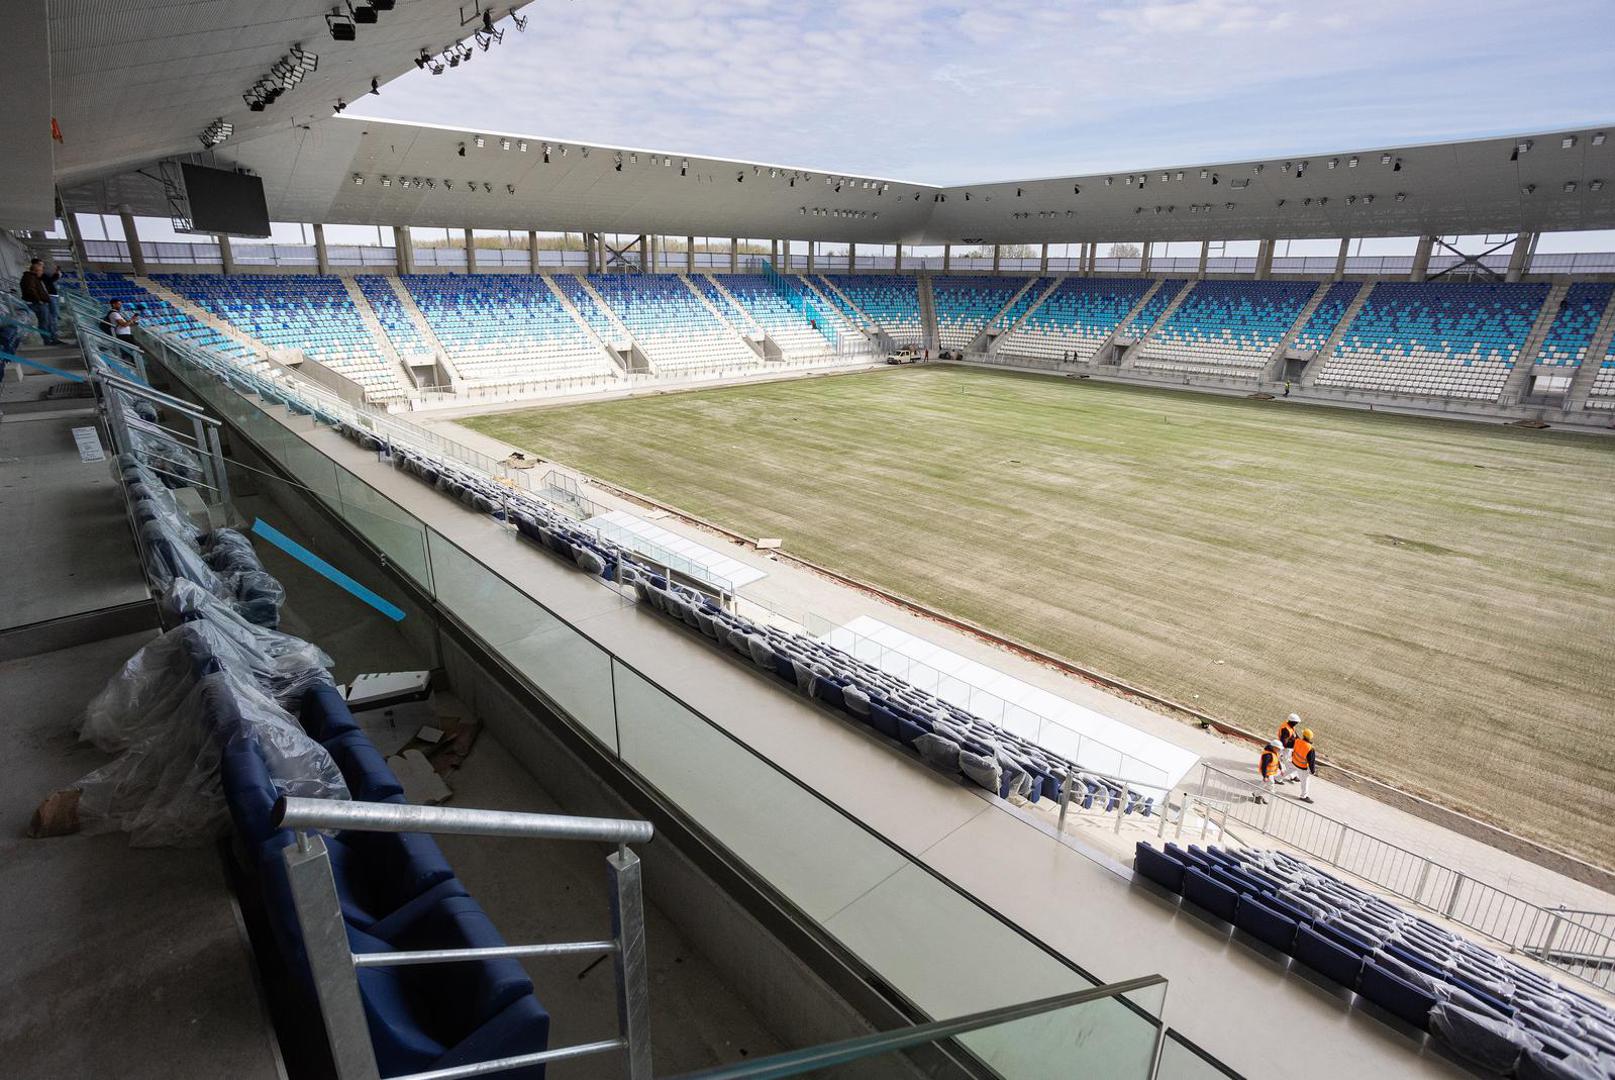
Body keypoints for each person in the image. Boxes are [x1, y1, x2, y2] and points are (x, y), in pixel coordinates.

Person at [20, 258, 59, 345]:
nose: (42, 273)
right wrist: (39, 300)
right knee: (44, 323)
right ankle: (48, 340)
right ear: (35, 270)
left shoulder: (33, 278)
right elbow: (30, 290)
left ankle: (52, 339)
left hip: (41, 303)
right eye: (41, 270)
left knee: (47, 322)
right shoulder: (30, 278)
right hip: (39, 304)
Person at [1283, 728, 1317, 802]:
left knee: (1288, 771)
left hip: (1294, 762)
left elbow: (1291, 743)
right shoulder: (1310, 748)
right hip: (1302, 767)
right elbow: (1311, 761)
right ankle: (1303, 796)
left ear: (1303, 735)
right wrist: (1313, 771)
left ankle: (1277, 778)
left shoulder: (1297, 741)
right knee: (1305, 781)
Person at [43, 262, 62, 340]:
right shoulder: (44, 275)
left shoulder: (46, 275)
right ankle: (54, 336)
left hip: (52, 296)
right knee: (53, 317)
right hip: (50, 296)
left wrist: (57, 274)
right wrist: (57, 274)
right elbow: (51, 280)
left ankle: (54, 335)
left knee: (54, 316)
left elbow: (52, 280)